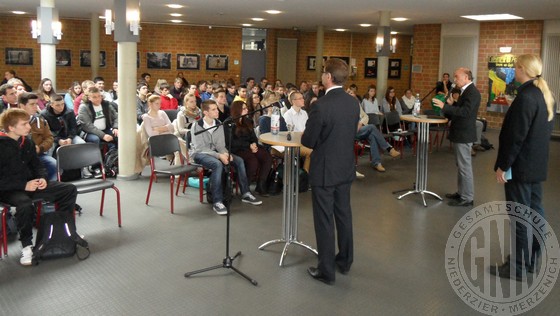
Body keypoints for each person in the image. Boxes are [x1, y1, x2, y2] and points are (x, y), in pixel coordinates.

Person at [491, 54, 556, 281]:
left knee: (520, 217)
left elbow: (515, 137)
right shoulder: (544, 96)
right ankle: (530, 260)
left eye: (515, 68)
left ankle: (516, 268)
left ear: (522, 69)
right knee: (536, 213)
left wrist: (502, 166)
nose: (513, 72)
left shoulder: (526, 97)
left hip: (521, 168)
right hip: (537, 166)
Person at [301, 58, 360, 285]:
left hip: (325, 171)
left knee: (324, 220)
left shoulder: (321, 105)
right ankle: (344, 260)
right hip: (345, 167)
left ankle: (326, 271)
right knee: (344, 215)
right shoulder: (353, 103)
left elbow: (309, 140)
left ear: (328, 77)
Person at [0, 108, 78, 266]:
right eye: (24, 124)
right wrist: (23, 185)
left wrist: (42, 178)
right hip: (7, 190)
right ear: (11, 128)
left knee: (68, 189)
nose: (29, 127)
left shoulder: (26, 141)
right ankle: (27, 246)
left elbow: (37, 165)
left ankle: (64, 230)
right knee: (24, 205)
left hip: (31, 184)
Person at [191, 100, 262, 215]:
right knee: (217, 164)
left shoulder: (218, 124)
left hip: (216, 153)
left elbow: (220, 145)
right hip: (200, 154)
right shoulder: (197, 126)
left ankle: (246, 193)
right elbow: (200, 148)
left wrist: (226, 154)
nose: (217, 111)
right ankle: (217, 201)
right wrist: (219, 155)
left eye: (216, 108)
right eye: (213, 109)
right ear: (205, 112)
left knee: (239, 160)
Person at [432, 67, 480, 207]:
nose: (455, 79)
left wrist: (445, 107)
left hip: (464, 134)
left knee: (465, 167)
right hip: (460, 133)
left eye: (457, 76)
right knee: (460, 165)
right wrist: (452, 104)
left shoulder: (473, 93)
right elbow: (460, 109)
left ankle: (467, 197)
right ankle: (461, 193)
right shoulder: (465, 91)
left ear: (466, 77)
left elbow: (465, 112)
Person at [227, 101, 272, 196]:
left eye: (246, 108)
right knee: (253, 161)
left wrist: (254, 144)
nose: (246, 110)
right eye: (243, 108)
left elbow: (253, 137)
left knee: (266, 157)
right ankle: (245, 186)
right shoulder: (229, 123)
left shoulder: (247, 121)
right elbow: (232, 142)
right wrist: (249, 146)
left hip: (249, 147)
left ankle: (261, 184)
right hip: (237, 149)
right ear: (237, 110)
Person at [18, 93, 57, 181]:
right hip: (18, 157)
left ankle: (49, 188)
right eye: (32, 104)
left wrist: (40, 148)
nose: (35, 107)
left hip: (38, 154)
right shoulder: (12, 121)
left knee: (54, 164)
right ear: (22, 105)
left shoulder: (41, 120)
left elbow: (49, 138)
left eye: (36, 104)